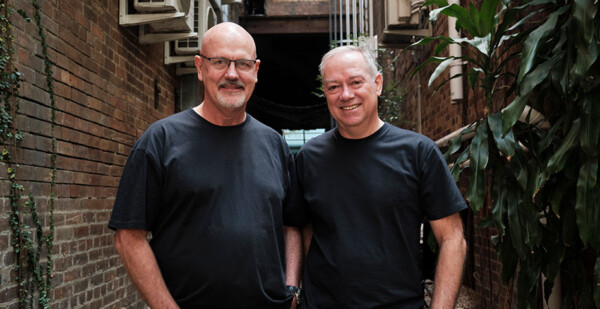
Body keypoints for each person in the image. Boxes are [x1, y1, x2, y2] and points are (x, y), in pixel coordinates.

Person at [108, 22, 303, 309]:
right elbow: (128, 237)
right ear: (200, 68)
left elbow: (292, 225)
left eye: (243, 64)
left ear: (256, 71)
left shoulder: (274, 144)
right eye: (220, 62)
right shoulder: (161, 140)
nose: (232, 74)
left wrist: (291, 289)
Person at [295, 45, 467, 308]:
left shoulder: (418, 152)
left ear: (377, 84)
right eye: (333, 87)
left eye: (355, 82)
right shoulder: (309, 158)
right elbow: (302, 231)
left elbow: (453, 238)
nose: (346, 94)